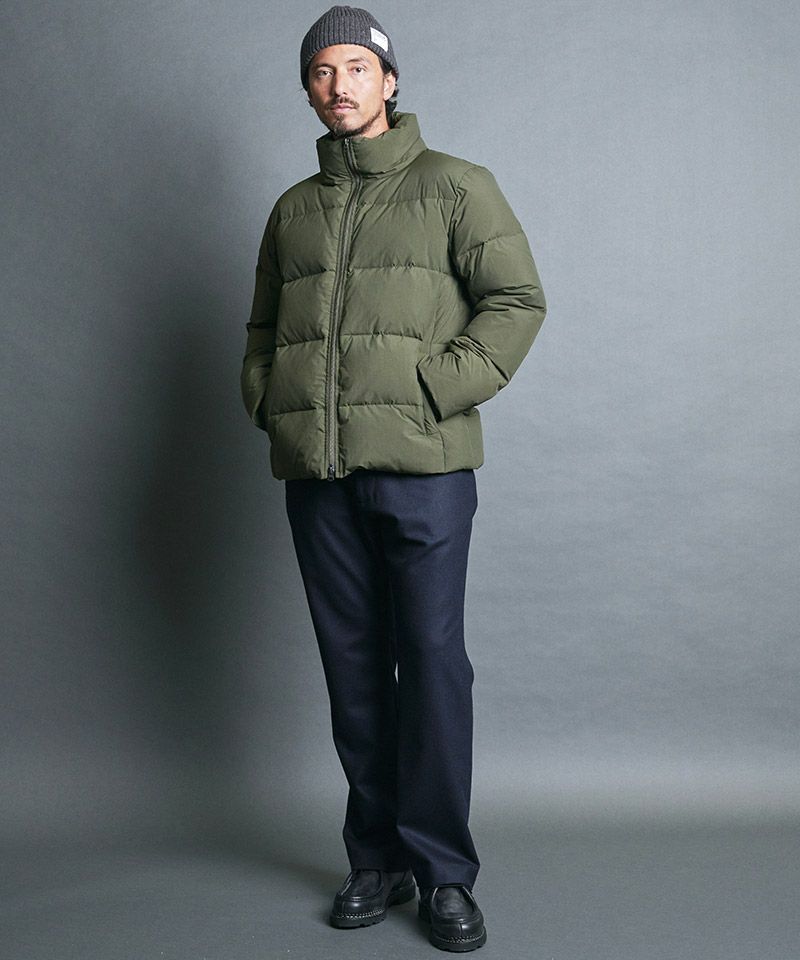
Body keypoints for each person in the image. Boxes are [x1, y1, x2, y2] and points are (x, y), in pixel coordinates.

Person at [240, 5, 546, 952]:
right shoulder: (293, 209)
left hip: (424, 471)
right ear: (308, 90)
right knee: (355, 669)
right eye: (321, 72)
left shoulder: (456, 186)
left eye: (356, 68)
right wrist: (271, 400)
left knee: (433, 664)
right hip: (318, 474)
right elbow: (262, 329)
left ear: (390, 80)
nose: (339, 85)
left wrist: (431, 391)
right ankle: (375, 857)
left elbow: (516, 300)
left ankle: (445, 872)